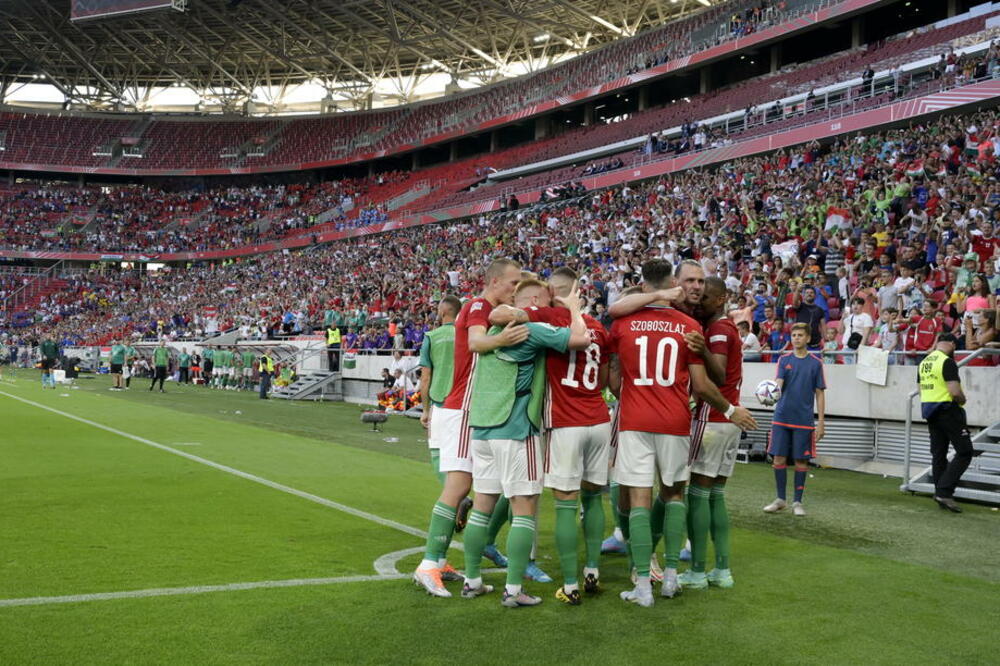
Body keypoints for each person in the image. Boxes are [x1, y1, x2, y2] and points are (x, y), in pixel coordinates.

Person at [609, 259, 756, 608]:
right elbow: (703, 384)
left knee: (639, 498)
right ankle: (672, 577)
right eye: (690, 281)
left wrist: (630, 397)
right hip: (676, 420)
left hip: (635, 418)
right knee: (675, 494)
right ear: (673, 283)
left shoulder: (624, 323)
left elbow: (613, 377)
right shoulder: (689, 326)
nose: (696, 287)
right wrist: (730, 409)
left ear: (646, 285)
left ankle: (642, 584)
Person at [460, 279, 590, 607]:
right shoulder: (531, 328)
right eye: (546, 302)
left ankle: (472, 581)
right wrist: (574, 309)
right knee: (524, 509)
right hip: (516, 428)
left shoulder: (491, 332)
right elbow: (581, 339)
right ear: (531, 301)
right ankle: (514, 590)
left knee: (482, 507)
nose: (549, 309)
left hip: (483, 427)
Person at [490, 267, 612, 604]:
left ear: (553, 292)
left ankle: (570, 585)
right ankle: (592, 571)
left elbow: (499, 315)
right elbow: (604, 377)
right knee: (593, 499)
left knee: (565, 504)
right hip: (599, 417)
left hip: (566, 421)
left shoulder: (548, 316)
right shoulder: (599, 327)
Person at [413, 258, 528, 599]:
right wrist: (505, 338)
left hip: (468, 407)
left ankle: (439, 560)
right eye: (513, 283)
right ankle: (428, 564)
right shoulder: (478, 305)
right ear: (494, 282)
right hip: (462, 408)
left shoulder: (488, 308)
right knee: (459, 485)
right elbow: (477, 342)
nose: (517, 289)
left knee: (469, 486)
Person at [678, 276, 743, 591]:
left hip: (713, 417)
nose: (699, 302)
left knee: (697, 495)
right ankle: (722, 570)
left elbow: (717, 375)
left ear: (720, 299)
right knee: (716, 495)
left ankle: (697, 571)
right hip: (729, 421)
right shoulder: (728, 328)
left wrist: (702, 350)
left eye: (705, 297)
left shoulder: (717, 331)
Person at [763, 323, 826, 517]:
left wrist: (821, 422)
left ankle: (797, 502)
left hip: (804, 420)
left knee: (801, 461)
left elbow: (820, 394)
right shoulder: (784, 360)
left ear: (808, 338)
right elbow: (779, 383)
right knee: (778, 459)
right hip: (781, 417)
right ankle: (780, 499)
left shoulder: (816, 363)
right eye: (794, 335)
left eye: (800, 335)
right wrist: (770, 393)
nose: (796, 338)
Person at [918, 334, 976, 513]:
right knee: (965, 451)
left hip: (930, 410)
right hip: (948, 410)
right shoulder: (947, 362)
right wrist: (963, 400)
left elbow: (921, 389)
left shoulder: (924, 362)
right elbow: (954, 391)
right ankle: (944, 491)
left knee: (939, 453)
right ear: (951, 344)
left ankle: (940, 491)